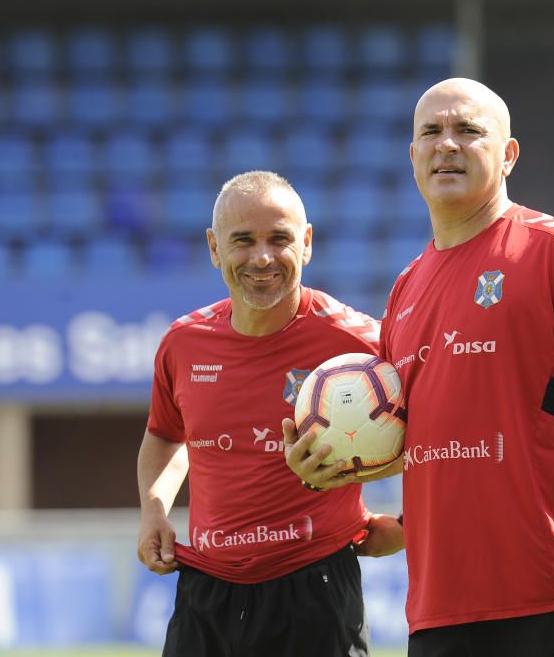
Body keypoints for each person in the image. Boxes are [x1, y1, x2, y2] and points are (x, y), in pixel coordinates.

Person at [287, 78, 554, 657]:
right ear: (412, 157)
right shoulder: (406, 288)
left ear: (508, 155)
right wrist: (331, 465)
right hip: (440, 609)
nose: (446, 144)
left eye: (468, 131)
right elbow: (432, 437)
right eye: (430, 132)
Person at [137, 170, 403, 657]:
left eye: (278, 239)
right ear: (215, 249)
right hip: (205, 592)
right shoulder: (183, 343)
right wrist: (154, 511)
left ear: (306, 244)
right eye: (242, 241)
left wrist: (410, 528)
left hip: (315, 586)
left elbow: (439, 435)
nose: (262, 257)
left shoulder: (364, 345)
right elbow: (166, 435)